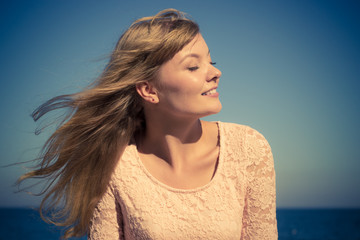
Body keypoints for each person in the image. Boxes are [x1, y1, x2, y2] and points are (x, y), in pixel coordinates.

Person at [18, 9, 277, 239]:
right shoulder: (115, 166)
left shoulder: (249, 149)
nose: (215, 72)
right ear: (148, 89)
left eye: (212, 61)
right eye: (193, 67)